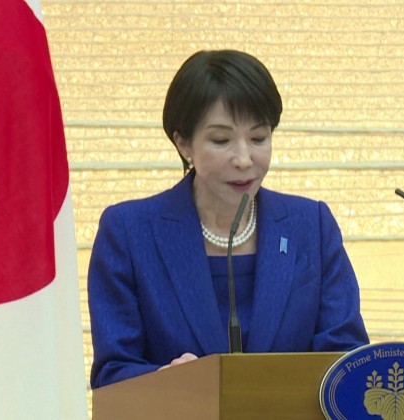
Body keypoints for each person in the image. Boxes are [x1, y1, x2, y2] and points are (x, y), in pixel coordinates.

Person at [88, 49, 369, 388]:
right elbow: (113, 373)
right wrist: (163, 381)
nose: (244, 159)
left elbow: (348, 361)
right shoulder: (128, 233)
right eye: (221, 140)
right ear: (183, 143)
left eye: (258, 138)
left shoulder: (311, 226)